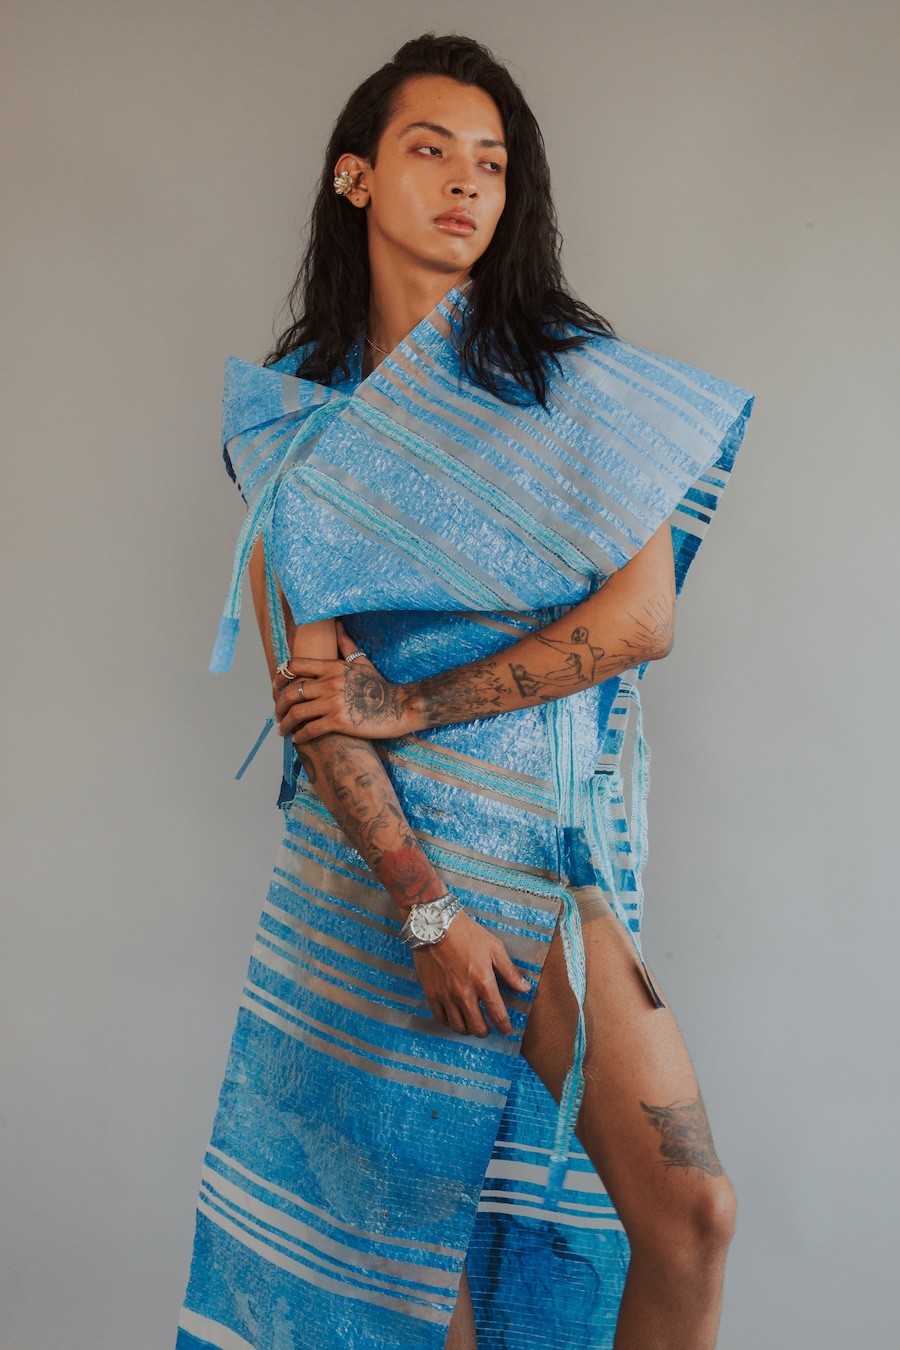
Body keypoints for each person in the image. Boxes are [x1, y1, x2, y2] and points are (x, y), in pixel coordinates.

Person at [176, 32, 754, 1350]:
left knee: (692, 1211)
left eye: (491, 164)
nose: (464, 182)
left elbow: (642, 618)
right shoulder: (297, 419)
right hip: (379, 878)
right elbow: (315, 702)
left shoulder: (567, 379)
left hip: (545, 859)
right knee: (404, 1286)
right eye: (430, 149)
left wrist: (418, 705)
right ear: (356, 176)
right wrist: (425, 905)